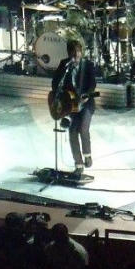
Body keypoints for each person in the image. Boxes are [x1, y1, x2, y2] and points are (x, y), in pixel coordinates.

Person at [51, 39, 97, 178]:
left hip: (86, 104)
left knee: (83, 128)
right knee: (72, 132)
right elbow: (55, 84)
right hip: (71, 105)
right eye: (73, 55)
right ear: (69, 54)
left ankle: (87, 155)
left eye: (78, 55)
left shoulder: (88, 65)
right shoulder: (64, 64)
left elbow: (92, 83)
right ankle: (78, 165)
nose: (76, 58)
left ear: (81, 53)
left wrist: (87, 95)